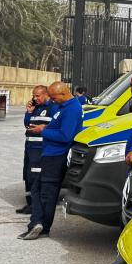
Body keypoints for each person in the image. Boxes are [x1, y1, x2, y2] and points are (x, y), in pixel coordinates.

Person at [20, 81, 83, 240]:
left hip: (57, 156)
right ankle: (37, 223)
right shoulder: (62, 107)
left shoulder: (72, 109)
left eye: (54, 97)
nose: (52, 100)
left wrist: (43, 131)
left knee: (47, 193)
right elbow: (56, 127)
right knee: (38, 190)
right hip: (49, 154)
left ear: (63, 93)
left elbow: (65, 136)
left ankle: (40, 225)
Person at [19, 85, 55, 214]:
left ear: (46, 95)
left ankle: (36, 206)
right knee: (28, 175)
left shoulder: (52, 107)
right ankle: (29, 204)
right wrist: (29, 112)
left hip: (40, 148)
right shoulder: (35, 108)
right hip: (29, 147)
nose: (35, 98)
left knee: (35, 177)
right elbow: (27, 125)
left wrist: (44, 128)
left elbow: (55, 126)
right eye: (33, 95)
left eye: (37, 96)